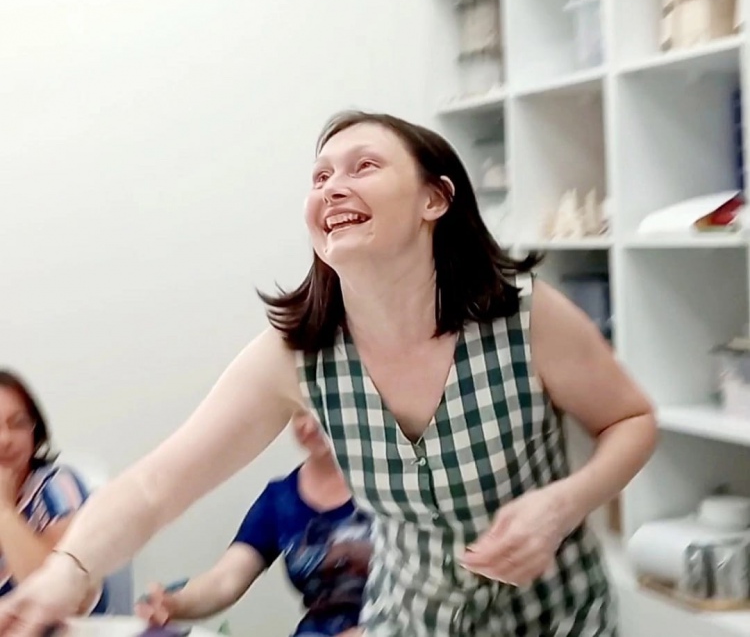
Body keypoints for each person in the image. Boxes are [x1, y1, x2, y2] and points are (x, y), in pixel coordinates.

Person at [0, 111, 657, 636]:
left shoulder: (525, 316)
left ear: (434, 198)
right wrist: (67, 571)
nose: (332, 188)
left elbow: (631, 420)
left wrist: (565, 503)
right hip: (408, 623)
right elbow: (155, 486)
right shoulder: (296, 354)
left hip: (557, 619)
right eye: (319, 177)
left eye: (363, 166)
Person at [135, 412, 371, 637]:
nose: (308, 425)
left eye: (320, 410)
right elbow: (224, 580)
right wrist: (175, 603)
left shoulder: (389, 488)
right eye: (299, 413)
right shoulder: (280, 499)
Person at [0, 370, 106, 616]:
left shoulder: (59, 487)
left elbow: (56, 600)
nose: (5, 439)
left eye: (18, 424)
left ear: (35, 430)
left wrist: (4, 510)